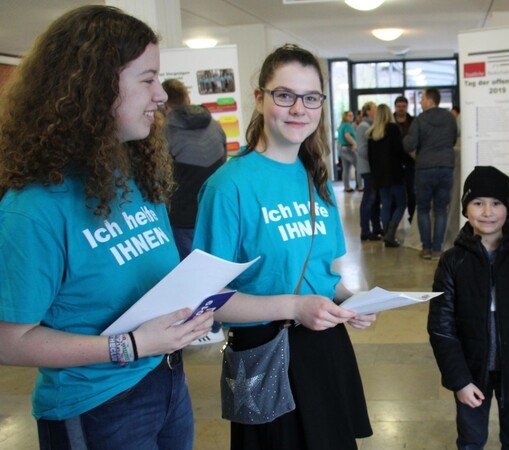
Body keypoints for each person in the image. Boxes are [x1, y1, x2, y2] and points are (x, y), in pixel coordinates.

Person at [0, 6, 215, 449]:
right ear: (94, 87)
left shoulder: (135, 175)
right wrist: (128, 345)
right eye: (147, 78)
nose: (160, 96)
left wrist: (187, 313)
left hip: (167, 380)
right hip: (95, 405)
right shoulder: (35, 208)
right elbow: (9, 342)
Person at [192, 44, 375, 450]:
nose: (299, 109)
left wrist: (352, 301)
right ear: (259, 98)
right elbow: (208, 299)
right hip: (266, 355)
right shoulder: (229, 186)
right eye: (285, 95)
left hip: (325, 349)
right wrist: (294, 307)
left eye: (311, 98)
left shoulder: (317, 179)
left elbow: (323, 277)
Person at [428, 165, 509, 450]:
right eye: (478, 203)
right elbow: (441, 326)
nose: (487, 212)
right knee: (471, 439)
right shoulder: (452, 262)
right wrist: (459, 380)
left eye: (496, 203)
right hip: (471, 370)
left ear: (507, 208)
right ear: (466, 209)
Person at [161, 78, 228, 346]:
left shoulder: (164, 132)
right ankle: (216, 324)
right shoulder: (215, 125)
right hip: (214, 211)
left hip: (181, 214)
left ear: (164, 102)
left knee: (189, 273)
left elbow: (160, 178)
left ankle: (203, 328)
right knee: (215, 271)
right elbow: (222, 163)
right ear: (187, 96)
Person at [403, 88, 459, 259]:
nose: (420, 102)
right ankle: (437, 249)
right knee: (441, 209)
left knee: (423, 209)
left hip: (425, 168)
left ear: (430, 101)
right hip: (446, 167)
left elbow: (409, 145)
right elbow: (453, 139)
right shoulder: (450, 118)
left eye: (422, 99)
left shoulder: (420, 120)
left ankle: (426, 248)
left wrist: (404, 138)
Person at [367, 104, 407, 247]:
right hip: (394, 173)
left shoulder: (372, 133)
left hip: (379, 175)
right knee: (402, 203)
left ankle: (386, 233)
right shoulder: (393, 128)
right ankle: (390, 234)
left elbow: (370, 158)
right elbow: (398, 151)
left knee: (386, 204)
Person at [356, 101, 383, 240]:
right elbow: (361, 149)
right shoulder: (363, 127)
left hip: (373, 168)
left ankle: (376, 227)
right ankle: (365, 230)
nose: (377, 111)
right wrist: (376, 155)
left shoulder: (372, 126)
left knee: (375, 199)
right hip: (368, 168)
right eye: (374, 109)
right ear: (367, 111)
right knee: (369, 199)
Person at [394, 96, 416, 221]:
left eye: (403, 106)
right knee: (396, 192)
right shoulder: (390, 121)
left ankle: (412, 216)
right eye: (399, 106)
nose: (401, 109)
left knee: (411, 190)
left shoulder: (413, 121)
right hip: (395, 162)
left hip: (410, 161)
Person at [337, 110, 361, 192]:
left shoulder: (342, 125)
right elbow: (347, 136)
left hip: (341, 149)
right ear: (345, 117)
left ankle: (346, 187)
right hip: (348, 148)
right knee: (359, 167)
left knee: (346, 169)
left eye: (352, 115)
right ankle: (360, 186)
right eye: (349, 116)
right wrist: (355, 144)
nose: (351, 117)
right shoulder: (348, 125)